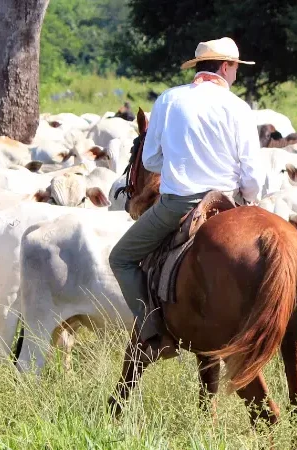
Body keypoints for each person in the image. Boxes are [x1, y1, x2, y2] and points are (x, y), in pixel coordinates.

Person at [108, 37, 265, 359]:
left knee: (121, 258)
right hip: (229, 202)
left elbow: (150, 161)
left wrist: (180, 160)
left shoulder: (169, 100)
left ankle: (154, 332)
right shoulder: (238, 107)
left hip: (180, 203)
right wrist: (249, 200)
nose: (236, 74)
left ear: (199, 68)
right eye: (236, 68)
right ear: (225, 67)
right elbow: (252, 172)